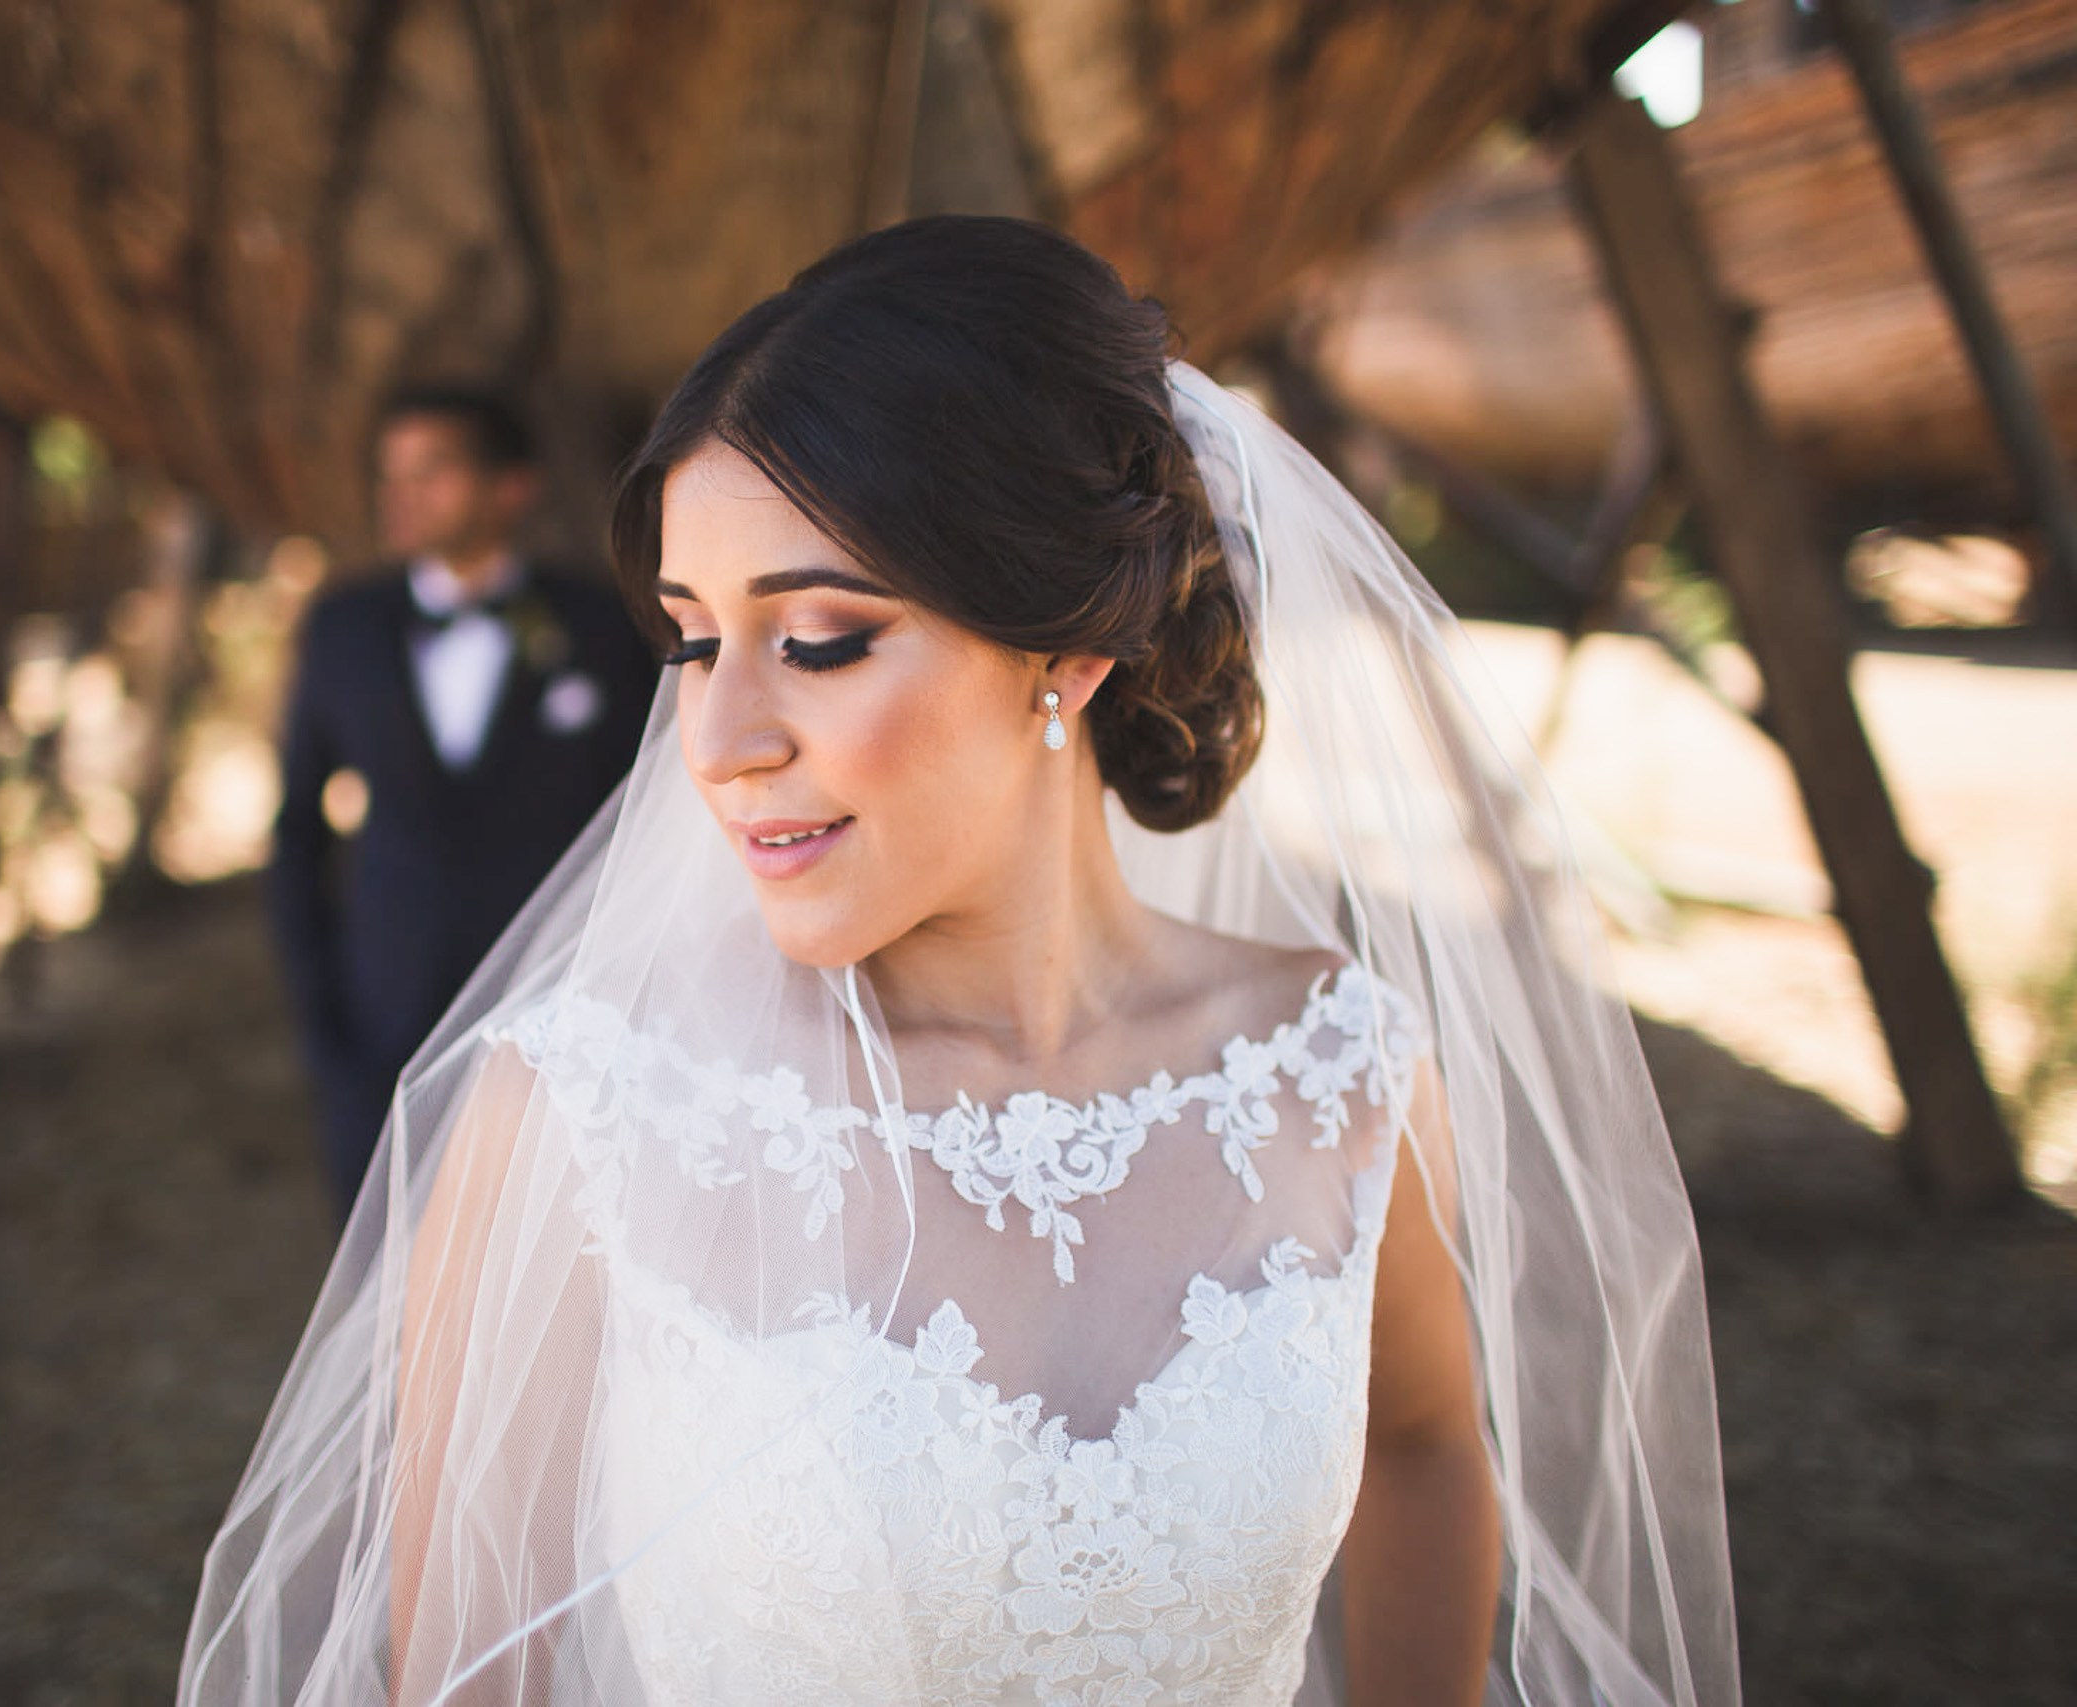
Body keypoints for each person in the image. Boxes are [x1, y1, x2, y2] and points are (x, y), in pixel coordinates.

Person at [190, 220, 1740, 1705]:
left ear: (1069, 643)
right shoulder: (582, 1112)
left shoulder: (1334, 1067)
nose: (717, 744)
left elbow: (1422, 1444)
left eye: (817, 638)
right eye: (690, 641)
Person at [267, 388, 657, 1214]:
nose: (398, 496)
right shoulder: (345, 627)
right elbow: (297, 827)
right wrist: (321, 1013)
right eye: (390, 474)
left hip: (558, 1007)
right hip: (380, 1021)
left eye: (431, 471)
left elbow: (646, 817)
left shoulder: (597, 622)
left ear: (510, 488)